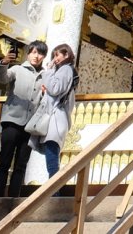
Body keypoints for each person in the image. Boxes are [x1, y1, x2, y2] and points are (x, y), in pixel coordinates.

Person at [0, 40, 47, 198]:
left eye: (40, 53)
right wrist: (3, 63)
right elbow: (1, 79)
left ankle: (14, 199)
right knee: (4, 162)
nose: (37, 56)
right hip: (11, 123)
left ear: (44, 56)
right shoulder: (16, 69)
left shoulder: (45, 76)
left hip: (31, 127)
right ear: (28, 53)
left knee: (21, 165)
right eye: (34, 52)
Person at [30, 44, 78, 187]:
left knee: (52, 159)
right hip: (57, 117)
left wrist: (48, 72)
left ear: (66, 55)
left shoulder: (65, 69)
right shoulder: (67, 70)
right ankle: (54, 190)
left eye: (57, 55)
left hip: (55, 118)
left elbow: (55, 88)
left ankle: (54, 191)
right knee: (52, 157)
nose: (55, 59)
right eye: (54, 55)